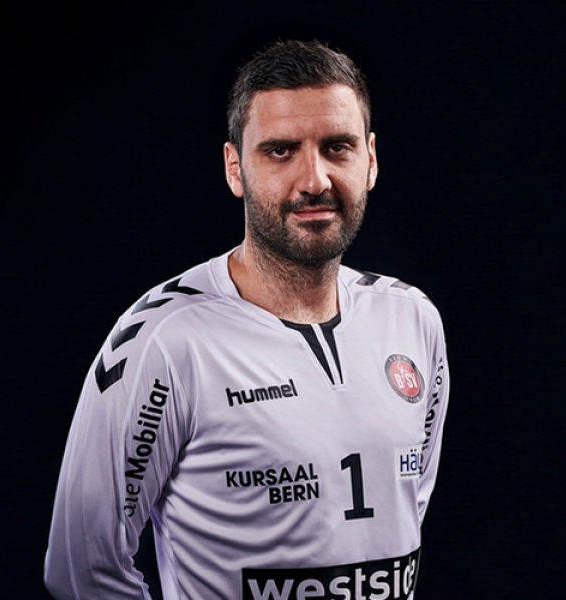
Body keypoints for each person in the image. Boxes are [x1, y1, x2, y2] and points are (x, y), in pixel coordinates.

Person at [45, 40, 449, 600]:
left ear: (371, 159)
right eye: (281, 151)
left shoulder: (412, 320)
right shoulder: (163, 341)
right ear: (235, 168)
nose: (315, 180)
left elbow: (403, 518)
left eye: (337, 147)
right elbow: (81, 571)